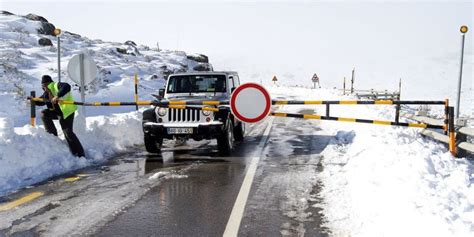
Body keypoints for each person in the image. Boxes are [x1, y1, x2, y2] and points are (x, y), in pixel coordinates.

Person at [34, 75, 85, 157]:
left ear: (48, 84)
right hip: (57, 113)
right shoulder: (46, 94)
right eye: (42, 86)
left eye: (44, 86)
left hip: (66, 112)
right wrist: (33, 100)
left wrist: (57, 96)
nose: (43, 88)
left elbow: (67, 86)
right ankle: (52, 136)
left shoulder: (56, 86)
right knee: (44, 113)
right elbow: (41, 101)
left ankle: (80, 154)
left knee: (68, 132)